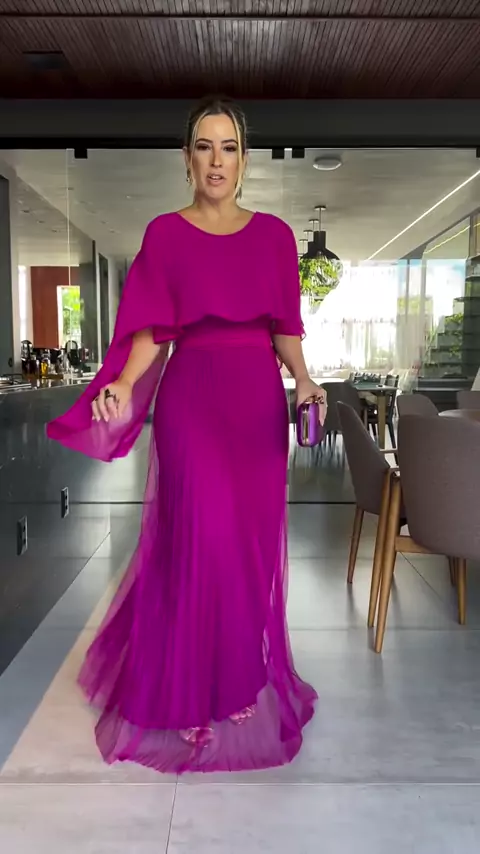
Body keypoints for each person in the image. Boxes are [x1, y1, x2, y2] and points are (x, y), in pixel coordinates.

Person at [47, 96, 326, 774]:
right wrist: (122, 383)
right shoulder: (165, 235)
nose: (216, 161)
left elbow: (284, 328)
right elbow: (152, 331)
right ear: (187, 158)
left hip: (255, 405)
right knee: (198, 543)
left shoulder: (275, 237)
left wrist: (305, 380)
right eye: (204, 146)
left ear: (244, 159)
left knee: (245, 551)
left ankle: (236, 679)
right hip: (192, 402)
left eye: (228, 147)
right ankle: (192, 694)